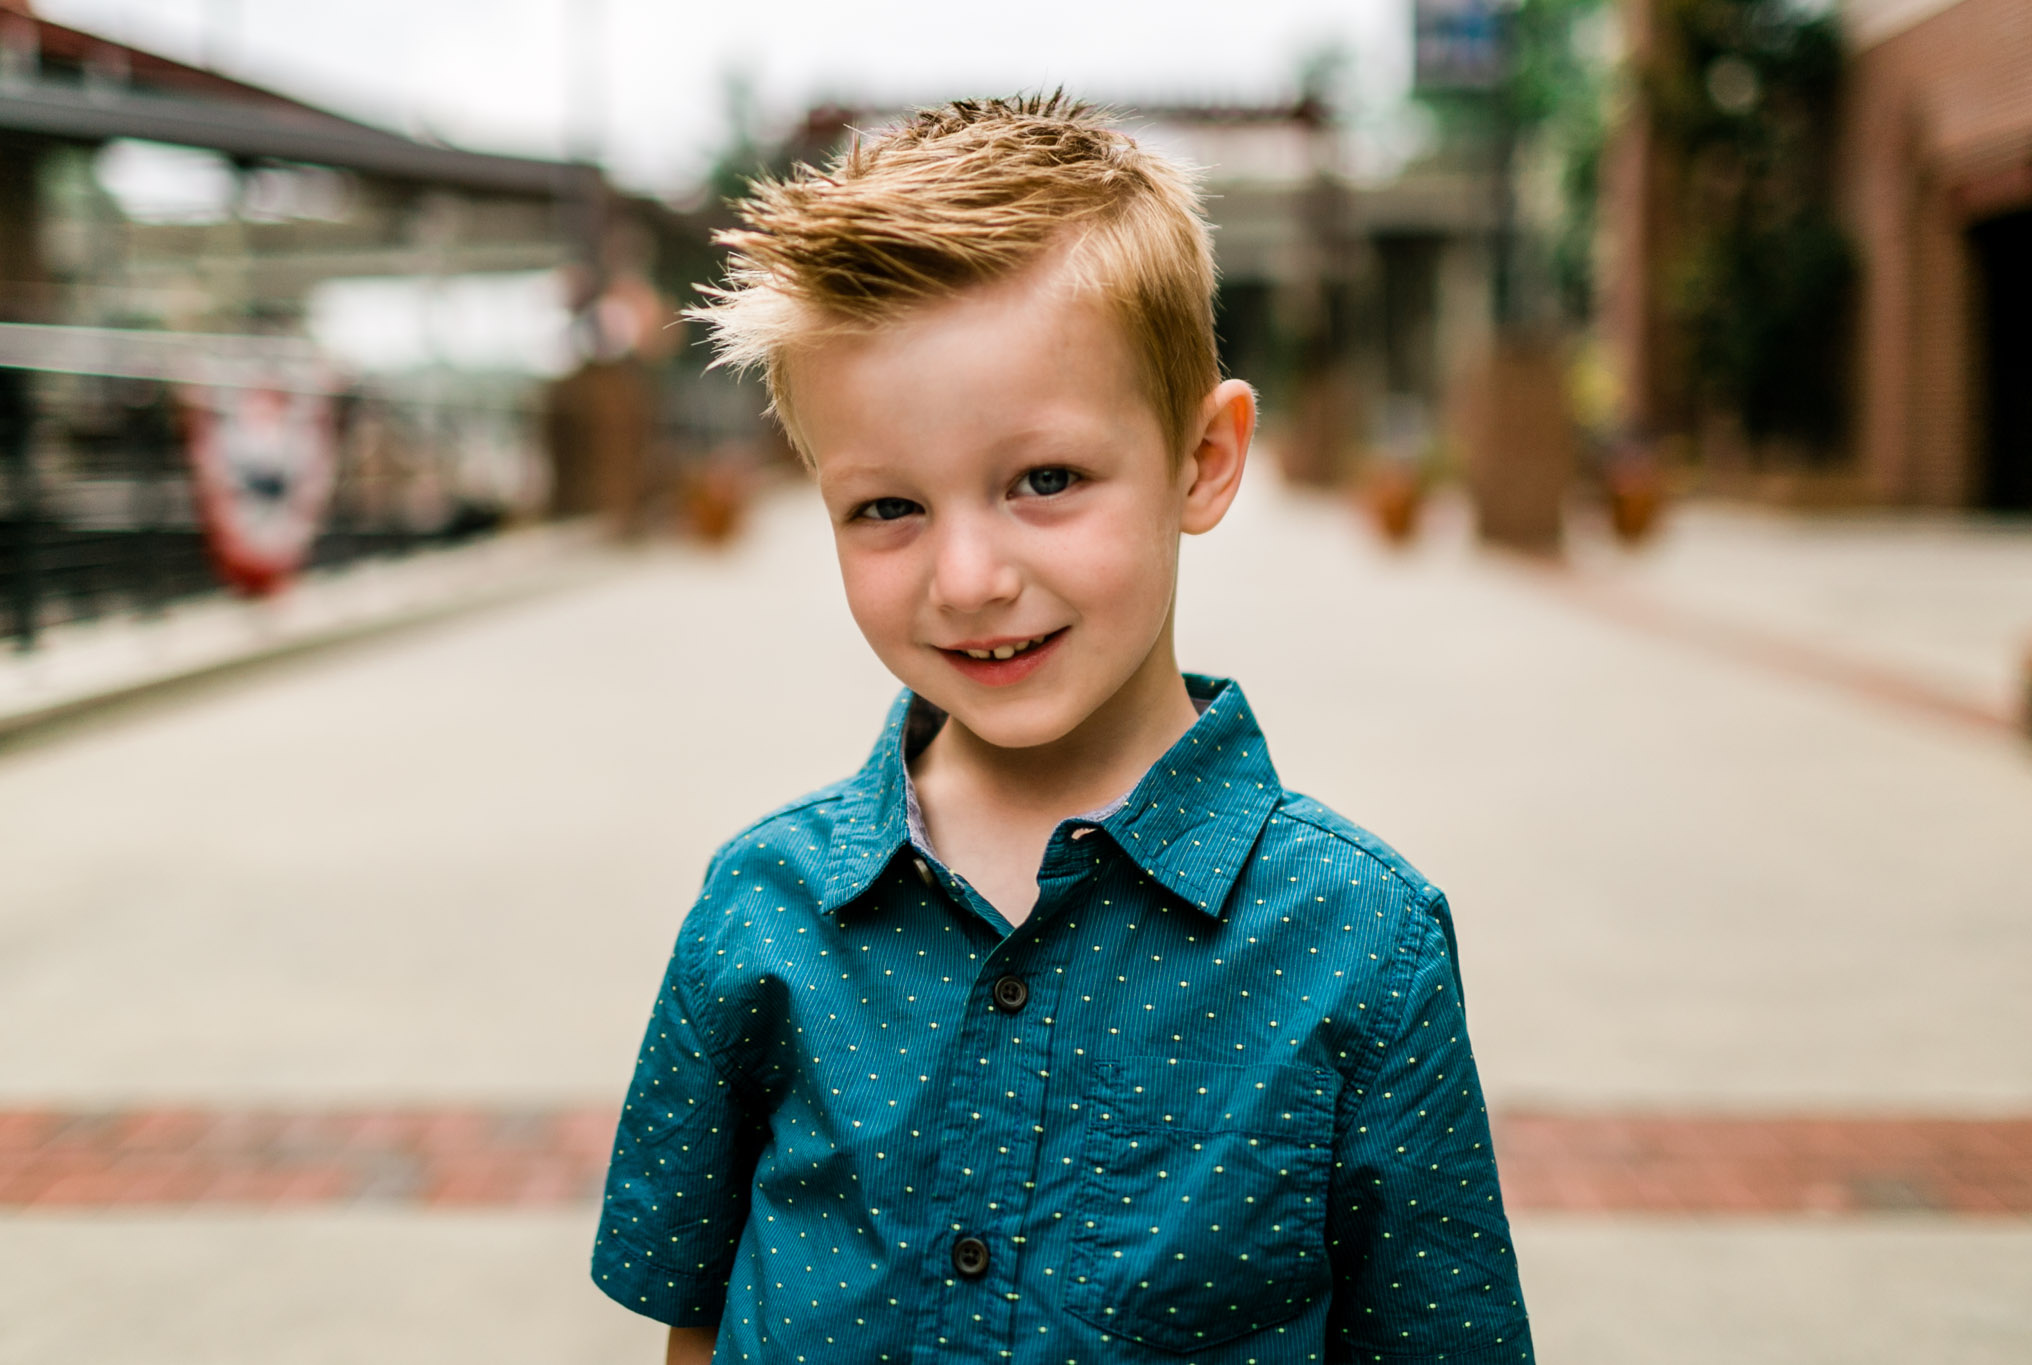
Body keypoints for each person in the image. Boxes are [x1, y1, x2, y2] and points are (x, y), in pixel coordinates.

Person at [593, 94, 1533, 1364]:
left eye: (1044, 482)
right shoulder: (760, 911)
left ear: (1203, 460)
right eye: (885, 508)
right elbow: (694, 1316)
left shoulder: (1359, 943)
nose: (968, 577)